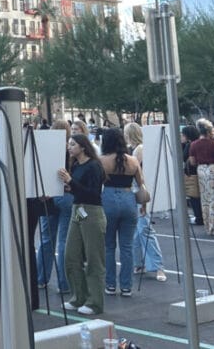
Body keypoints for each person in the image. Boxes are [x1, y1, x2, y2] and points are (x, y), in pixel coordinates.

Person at [60, 133, 106, 315]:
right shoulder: (77, 165)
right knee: (71, 255)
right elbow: (81, 190)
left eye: (72, 144)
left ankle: (95, 302)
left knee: (94, 258)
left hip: (91, 211)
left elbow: (94, 194)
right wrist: (70, 187)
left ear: (83, 147)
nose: (69, 147)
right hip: (78, 209)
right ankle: (79, 296)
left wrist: (71, 182)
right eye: (69, 144)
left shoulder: (94, 166)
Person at [99, 127, 142, 297]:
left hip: (107, 199)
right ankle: (126, 286)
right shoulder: (132, 160)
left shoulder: (101, 160)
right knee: (127, 246)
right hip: (128, 198)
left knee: (108, 246)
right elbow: (141, 183)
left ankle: (110, 284)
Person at [123, 123, 167, 283]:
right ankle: (140, 263)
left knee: (144, 229)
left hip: (138, 191)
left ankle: (157, 265)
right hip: (134, 192)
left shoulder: (138, 149)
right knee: (136, 230)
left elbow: (137, 173)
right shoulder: (135, 149)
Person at [37, 119, 72, 295]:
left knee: (46, 239)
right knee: (64, 241)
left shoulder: (46, 150)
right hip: (66, 196)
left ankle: (41, 278)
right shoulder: (72, 151)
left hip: (48, 196)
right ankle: (64, 283)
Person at [180, 125, 204, 225]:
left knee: (194, 196)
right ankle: (201, 216)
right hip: (199, 172)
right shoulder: (199, 143)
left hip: (192, 174)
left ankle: (198, 217)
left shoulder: (190, 145)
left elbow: (183, 156)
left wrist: (182, 144)